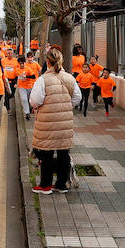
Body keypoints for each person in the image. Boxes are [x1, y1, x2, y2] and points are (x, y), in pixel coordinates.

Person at [29, 48, 80, 194]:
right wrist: (65, 106)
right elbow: (77, 97)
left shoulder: (43, 80)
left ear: (47, 62)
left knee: (47, 153)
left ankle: (45, 185)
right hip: (65, 122)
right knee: (64, 153)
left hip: (47, 121)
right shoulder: (70, 78)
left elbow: (35, 100)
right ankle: (61, 184)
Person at [16, 55, 39, 121]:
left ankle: (30, 107)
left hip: (29, 86)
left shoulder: (28, 69)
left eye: (22, 63)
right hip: (21, 87)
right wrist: (15, 83)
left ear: (24, 63)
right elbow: (15, 77)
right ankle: (27, 113)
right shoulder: (17, 70)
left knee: (29, 100)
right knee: (23, 99)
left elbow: (33, 77)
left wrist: (26, 76)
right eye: (20, 63)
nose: (21, 65)